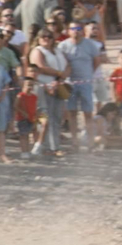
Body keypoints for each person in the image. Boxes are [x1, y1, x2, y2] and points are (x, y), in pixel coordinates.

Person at [59, 21, 105, 151]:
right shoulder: (63, 46)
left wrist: (88, 74)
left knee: (87, 113)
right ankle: (75, 140)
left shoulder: (90, 44)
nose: (75, 31)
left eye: (78, 28)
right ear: (68, 31)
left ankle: (90, 141)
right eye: (72, 29)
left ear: (82, 31)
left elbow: (97, 61)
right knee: (72, 113)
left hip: (86, 83)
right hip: (70, 83)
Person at [27, 28, 68, 158]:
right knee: (45, 117)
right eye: (43, 36)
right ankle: (44, 146)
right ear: (38, 39)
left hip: (57, 86)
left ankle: (55, 146)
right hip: (43, 87)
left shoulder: (57, 50)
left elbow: (68, 65)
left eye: (49, 36)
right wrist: (59, 74)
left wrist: (60, 79)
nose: (46, 39)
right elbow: (40, 67)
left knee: (57, 117)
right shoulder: (37, 51)